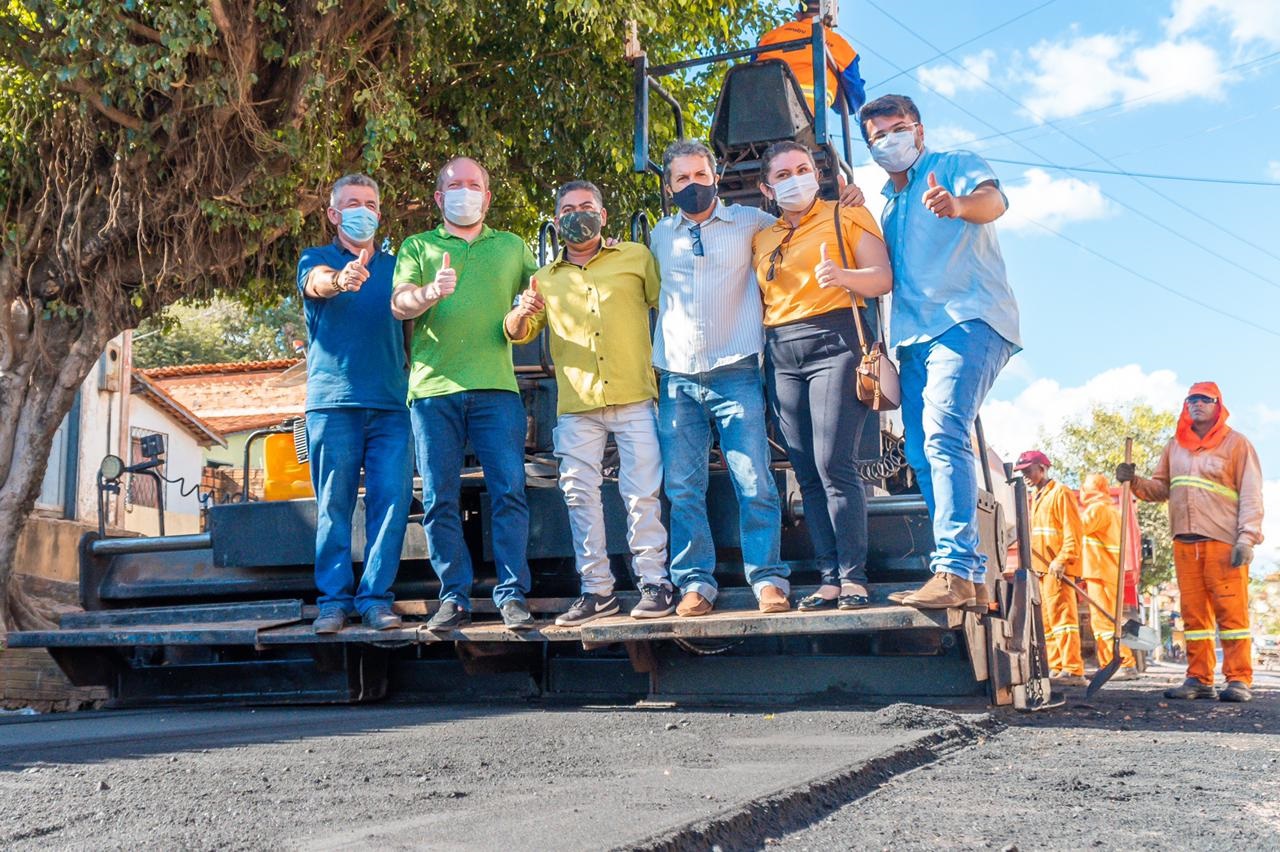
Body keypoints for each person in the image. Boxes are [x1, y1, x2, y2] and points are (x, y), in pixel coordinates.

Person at [860, 94, 1021, 611]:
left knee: (942, 433)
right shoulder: (885, 203)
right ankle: (967, 577)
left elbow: (994, 202)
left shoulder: (951, 167)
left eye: (898, 129)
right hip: (912, 339)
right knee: (919, 453)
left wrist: (958, 206)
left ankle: (952, 568)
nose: (890, 140)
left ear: (920, 131)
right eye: (878, 136)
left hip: (968, 321)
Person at [504, 181, 675, 626]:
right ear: (557, 220)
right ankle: (597, 590)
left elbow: (671, 303)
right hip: (576, 403)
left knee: (642, 496)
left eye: (586, 206)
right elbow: (518, 332)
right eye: (568, 209)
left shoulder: (636, 257)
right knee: (579, 497)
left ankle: (654, 582)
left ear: (602, 215)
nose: (577, 214)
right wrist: (520, 311)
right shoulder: (544, 278)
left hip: (635, 394)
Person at [391, 156, 537, 633]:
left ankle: (512, 595)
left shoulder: (513, 247)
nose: (465, 191)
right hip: (433, 392)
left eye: (474, 184)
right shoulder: (418, 245)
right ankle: (454, 596)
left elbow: (542, 294)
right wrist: (431, 291)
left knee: (510, 492)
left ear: (487, 197)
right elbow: (399, 303)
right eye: (455, 185)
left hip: (498, 390)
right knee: (438, 499)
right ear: (439, 197)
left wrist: (528, 311)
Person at [752, 141, 892, 611]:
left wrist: (845, 277)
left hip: (834, 342)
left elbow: (882, 278)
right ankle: (828, 578)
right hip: (781, 351)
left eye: (804, 169)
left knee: (835, 462)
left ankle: (854, 577)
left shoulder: (845, 214)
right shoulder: (762, 235)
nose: (796, 178)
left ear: (818, 173)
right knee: (806, 471)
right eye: (784, 173)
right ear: (767, 187)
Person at [297, 174, 412, 635]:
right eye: (351, 203)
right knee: (333, 505)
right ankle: (333, 602)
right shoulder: (317, 259)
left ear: (379, 214)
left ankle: (376, 599)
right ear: (333, 214)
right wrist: (342, 280)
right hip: (332, 404)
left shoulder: (399, 267)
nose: (361, 209)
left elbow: (410, 334)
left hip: (391, 407)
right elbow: (317, 283)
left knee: (391, 504)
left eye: (369, 203)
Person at [1118, 382, 1264, 703]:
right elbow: (1160, 489)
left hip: (1223, 542)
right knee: (1194, 618)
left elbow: (1252, 494)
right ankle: (1199, 678)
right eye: (1191, 399)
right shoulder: (1175, 447)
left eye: (1204, 399)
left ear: (1218, 405)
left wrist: (1247, 538)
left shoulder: (1236, 444)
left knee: (1231, 614)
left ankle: (1239, 679)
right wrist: (1134, 481)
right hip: (1185, 543)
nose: (1197, 404)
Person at [1016, 451, 1085, 687]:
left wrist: (1062, 559)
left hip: (1057, 568)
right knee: (1047, 621)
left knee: (1064, 620)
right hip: (1042, 569)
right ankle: (1057, 667)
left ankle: (1074, 670)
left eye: (1028, 470)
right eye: (1022, 472)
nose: (1024, 476)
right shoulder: (1036, 496)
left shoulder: (1060, 493)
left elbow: (1073, 532)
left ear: (1042, 469)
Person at [756, 1, 866, 118]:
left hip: (755, 116)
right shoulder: (839, 46)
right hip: (803, 122)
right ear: (833, 16)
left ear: (798, 15)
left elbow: (747, 74)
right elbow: (855, 101)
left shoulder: (768, 38)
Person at [1078, 473, 1139, 680]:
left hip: (1101, 571)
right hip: (1105, 571)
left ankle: (1123, 662)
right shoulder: (1109, 510)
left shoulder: (1098, 509)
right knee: (1105, 621)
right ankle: (1111, 663)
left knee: (1106, 622)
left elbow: (1078, 528)